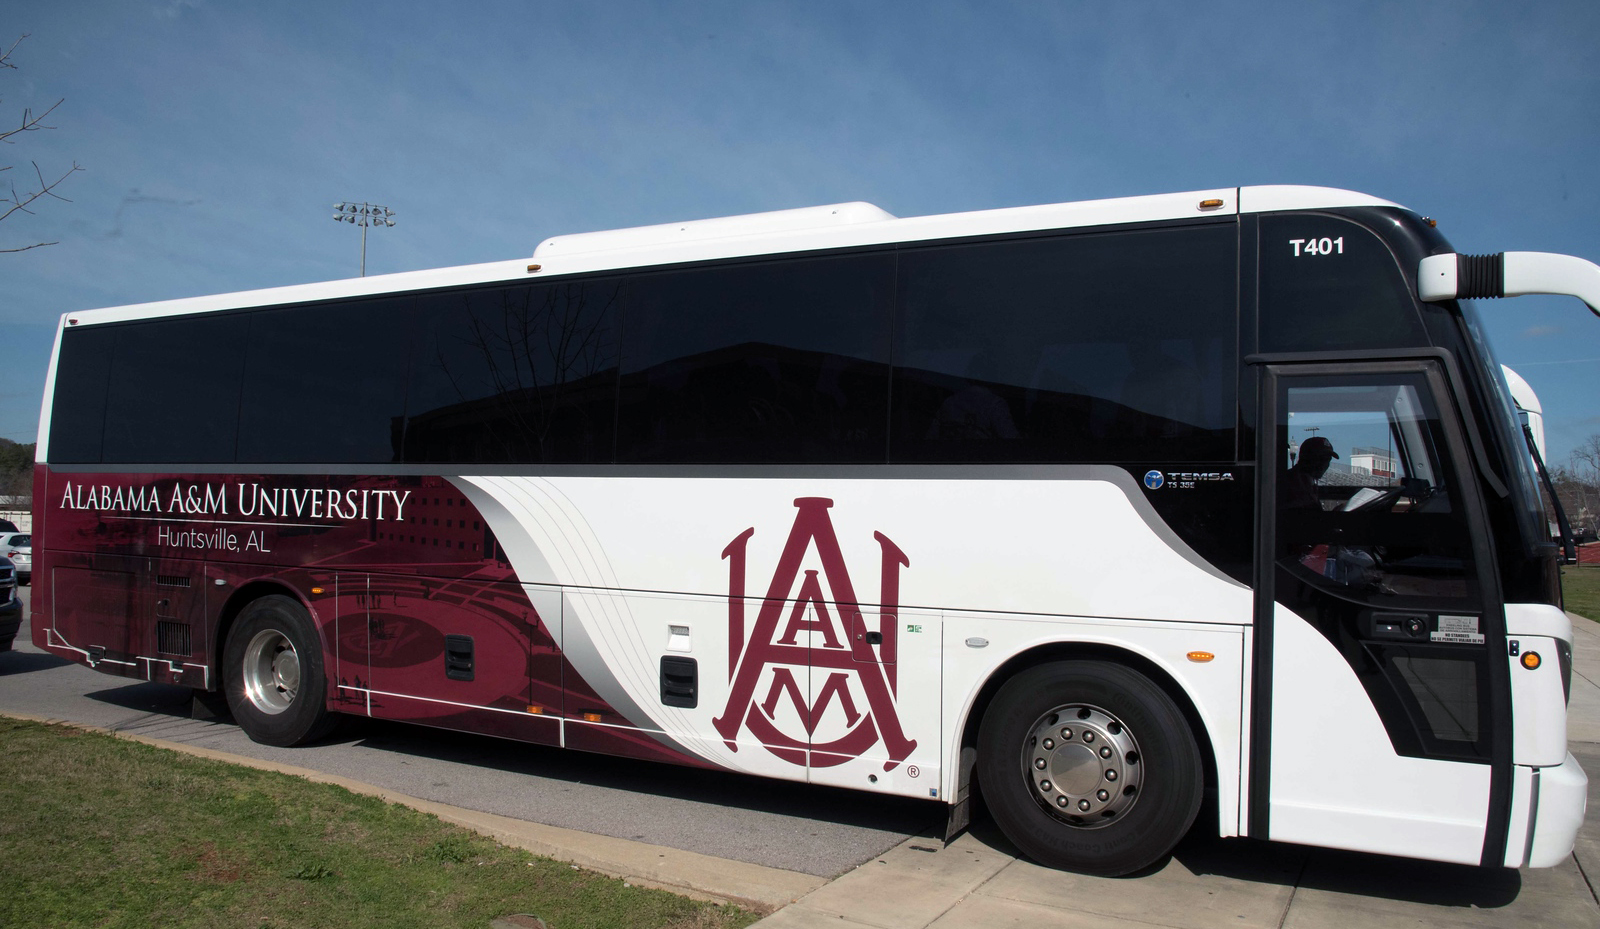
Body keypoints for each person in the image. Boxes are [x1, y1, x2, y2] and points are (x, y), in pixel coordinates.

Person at [1282, 436, 1338, 510]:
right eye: (1320, 458)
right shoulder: (1291, 483)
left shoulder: (1307, 482)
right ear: (1307, 457)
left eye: (1328, 459)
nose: (1324, 463)